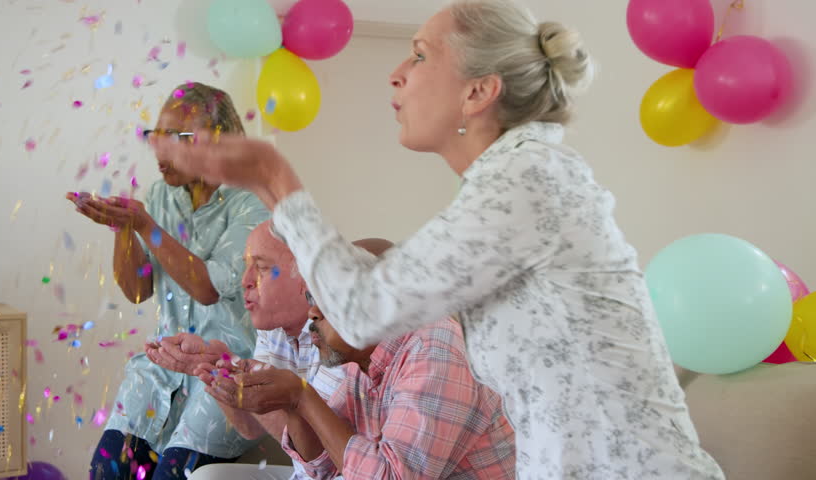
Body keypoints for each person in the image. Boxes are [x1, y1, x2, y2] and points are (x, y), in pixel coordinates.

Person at [160, 1, 727, 479]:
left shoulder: (526, 180)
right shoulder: (505, 183)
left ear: (479, 91)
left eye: (421, 54)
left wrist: (273, 176)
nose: (396, 73)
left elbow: (361, 312)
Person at [67, 82, 270, 480]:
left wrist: (144, 223)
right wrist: (123, 228)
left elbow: (207, 288)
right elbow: (138, 289)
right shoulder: (161, 195)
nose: (161, 149)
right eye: (158, 136)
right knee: (105, 471)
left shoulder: (251, 200)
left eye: (180, 138)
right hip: (159, 369)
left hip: (223, 375)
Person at [204, 291, 517, 479]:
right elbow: (321, 469)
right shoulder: (357, 359)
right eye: (311, 298)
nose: (312, 313)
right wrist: (290, 404)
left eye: (325, 298)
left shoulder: (435, 348)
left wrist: (300, 397)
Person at [145, 221, 359, 480]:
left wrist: (237, 370)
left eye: (261, 268)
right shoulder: (272, 328)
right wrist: (216, 369)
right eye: (246, 267)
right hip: (306, 473)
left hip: (342, 473)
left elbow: (320, 455)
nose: (245, 281)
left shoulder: (338, 332)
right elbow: (249, 428)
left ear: (305, 276)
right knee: (206, 476)